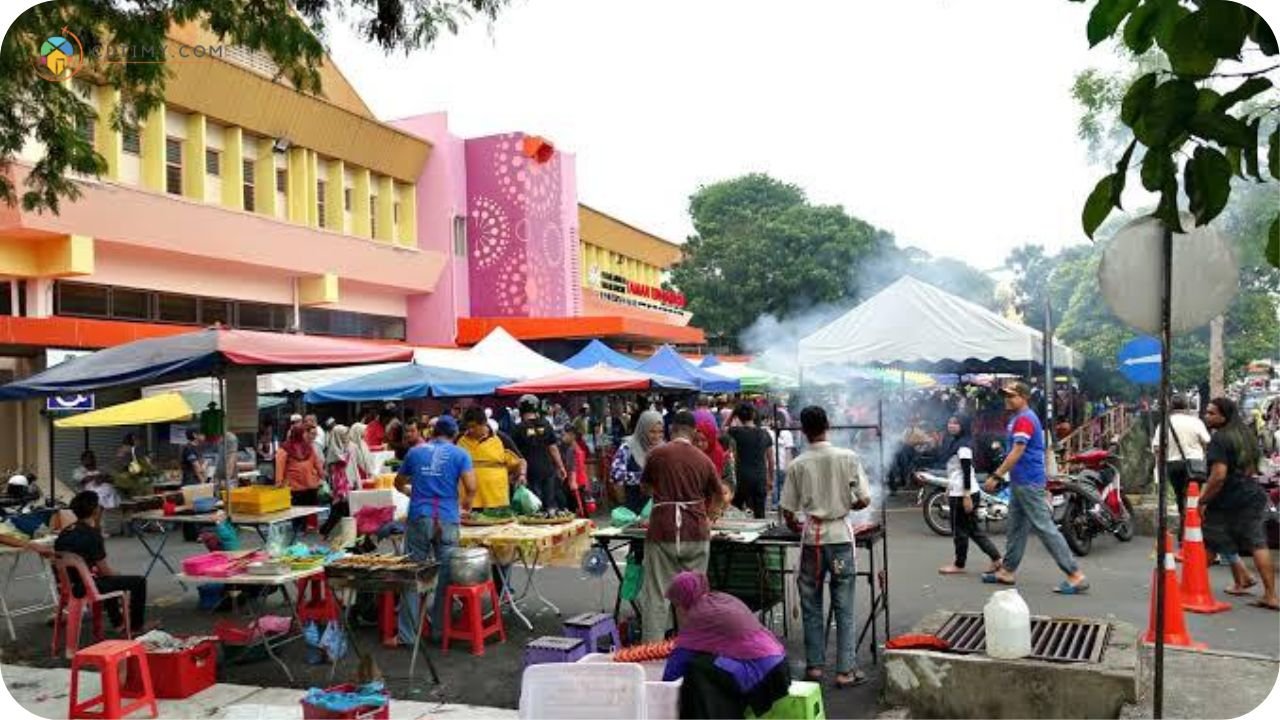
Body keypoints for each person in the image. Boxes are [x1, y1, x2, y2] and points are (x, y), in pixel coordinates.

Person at [780, 406, 871, 687]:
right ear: (828, 425)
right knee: (844, 605)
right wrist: (846, 505)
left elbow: (787, 510)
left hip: (812, 543)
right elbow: (865, 499)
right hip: (841, 540)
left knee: (811, 605)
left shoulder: (798, 464)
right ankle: (846, 670)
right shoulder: (848, 457)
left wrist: (797, 524)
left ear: (803, 430)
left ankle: (815, 667)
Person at [983, 381, 1088, 593]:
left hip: (1029, 482)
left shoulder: (1024, 420)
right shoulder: (1017, 419)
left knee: (1045, 527)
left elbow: (1017, 452)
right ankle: (1007, 571)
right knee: (1015, 528)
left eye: (1012, 396)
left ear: (1024, 397)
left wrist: (997, 475)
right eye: (1006, 395)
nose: (1007, 399)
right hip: (1020, 481)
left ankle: (1075, 574)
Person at [639, 411, 724, 643]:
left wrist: (662, 491)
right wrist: (710, 516)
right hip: (695, 531)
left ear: (671, 429)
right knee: (695, 597)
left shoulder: (656, 455)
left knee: (657, 595)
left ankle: (651, 655)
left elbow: (645, 488)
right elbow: (718, 494)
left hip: (662, 530)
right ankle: (693, 650)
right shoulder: (703, 458)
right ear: (694, 432)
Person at [661, 571, 790, 719]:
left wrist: (660, 694)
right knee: (708, 663)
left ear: (682, 601)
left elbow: (678, 662)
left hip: (764, 678)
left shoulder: (697, 615)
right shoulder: (722, 599)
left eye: (676, 605)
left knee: (695, 670)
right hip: (780, 666)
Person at [394, 415, 477, 642]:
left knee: (413, 574)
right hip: (448, 517)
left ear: (433, 432)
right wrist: (464, 506)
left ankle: (407, 635)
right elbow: (471, 487)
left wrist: (410, 492)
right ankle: (441, 632)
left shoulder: (415, 452)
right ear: (454, 435)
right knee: (446, 577)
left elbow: (398, 482)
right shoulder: (461, 454)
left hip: (420, 516)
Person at [1201, 397, 1277, 610]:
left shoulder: (1220, 439)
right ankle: (1270, 595)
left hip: (1227, 499)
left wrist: (1203, 499)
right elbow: (1253, 468)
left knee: (1208, 541)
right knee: (1258, 543)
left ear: (1223, 417)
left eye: (1211, 413)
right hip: (1251, 495)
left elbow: (1218, 476)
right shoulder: (1246, 434)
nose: (1207, 416)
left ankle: (1193, 588)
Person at [54, 491, 149, 630]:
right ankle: (136, 626)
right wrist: (116, 574)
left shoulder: (65, 532)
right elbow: (105, 571)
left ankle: (118, 623)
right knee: (138, 582)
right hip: (85, 586)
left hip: (68, 585)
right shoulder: (92, 535)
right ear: (95, 510)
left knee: (107, 581)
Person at [937, 416, 1002, 575]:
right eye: (950, 422)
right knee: (973, 529)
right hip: (960, 490)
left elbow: (966, 471)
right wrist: (949, 487)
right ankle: (996, 559)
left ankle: (959, 564)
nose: (951, 425)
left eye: (955, 423)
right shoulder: (957, 442)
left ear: (963, 426)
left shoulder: (964, 446)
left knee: (959, 531)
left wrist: (966, 496)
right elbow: (956, 471)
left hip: (963, 492)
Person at [1152, 394, 1211, 542]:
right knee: (1195, 497)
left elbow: (1158, 448)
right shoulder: (1195, 422)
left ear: (1171, 407)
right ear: (1187, 406)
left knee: (1180, 496)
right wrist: (1202, 454)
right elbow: (1206, 441)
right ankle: (1195, 529)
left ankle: (1184, 528)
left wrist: (1160, 467)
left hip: (1173, 464)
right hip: (1195, 464)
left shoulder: (1165, 423)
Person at [457, 406, 526, 511]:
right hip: (468, 501)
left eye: (473, 426)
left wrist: (521, 475)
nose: (470, 430)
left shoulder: (501, 438)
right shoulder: (459, 440)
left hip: (497, 500)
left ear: (484, 423)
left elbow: (521, 461)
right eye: (468, 427)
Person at [512, 395, 567, 512]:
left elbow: (513, 453)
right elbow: (553, 448)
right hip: (547, 469)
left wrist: (515, 473)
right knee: (549, 505)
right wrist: (561, 466)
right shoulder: (546, 424)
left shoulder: (518, 428)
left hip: (529, 471)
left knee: (533, 506)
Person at [612, 410, 664, 514]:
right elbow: (617, 476)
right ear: (642, 430)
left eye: (660, 432)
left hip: (659, 507)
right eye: (652, 432)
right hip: (632, 507)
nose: (656, 436)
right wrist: (642, 478)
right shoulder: (628, 447)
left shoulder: (663, 448)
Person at [727, 404, 774, 519]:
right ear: (753, 415)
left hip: (741, 477)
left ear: (738, 416)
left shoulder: (735, 432)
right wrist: (770, 479)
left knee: (735, 511)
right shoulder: (764, 434)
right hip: (759, 477)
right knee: (759, 513)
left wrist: (733, 413)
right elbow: (770, 459)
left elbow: (723, 427)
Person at [276, 424, 324, 533]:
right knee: (297, 510)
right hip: (295, 485)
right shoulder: (285, 448)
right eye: (303, 433)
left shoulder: (308, 447)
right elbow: (280, 465)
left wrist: (321, 474)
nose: (305, 435)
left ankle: (307, 527)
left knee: (310, 507)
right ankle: (298, 529)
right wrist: (279, 482)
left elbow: (316, 462)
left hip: (309, 483)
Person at [320, 426, 358, 538]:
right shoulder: (334, 449)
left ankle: (328, 530)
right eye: (343, 435)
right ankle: (327, 530)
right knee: (340, 508)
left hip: (346, 482)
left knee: (342, 508)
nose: (346, 437)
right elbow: (333, 468)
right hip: (339, 484)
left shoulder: (346, 447)